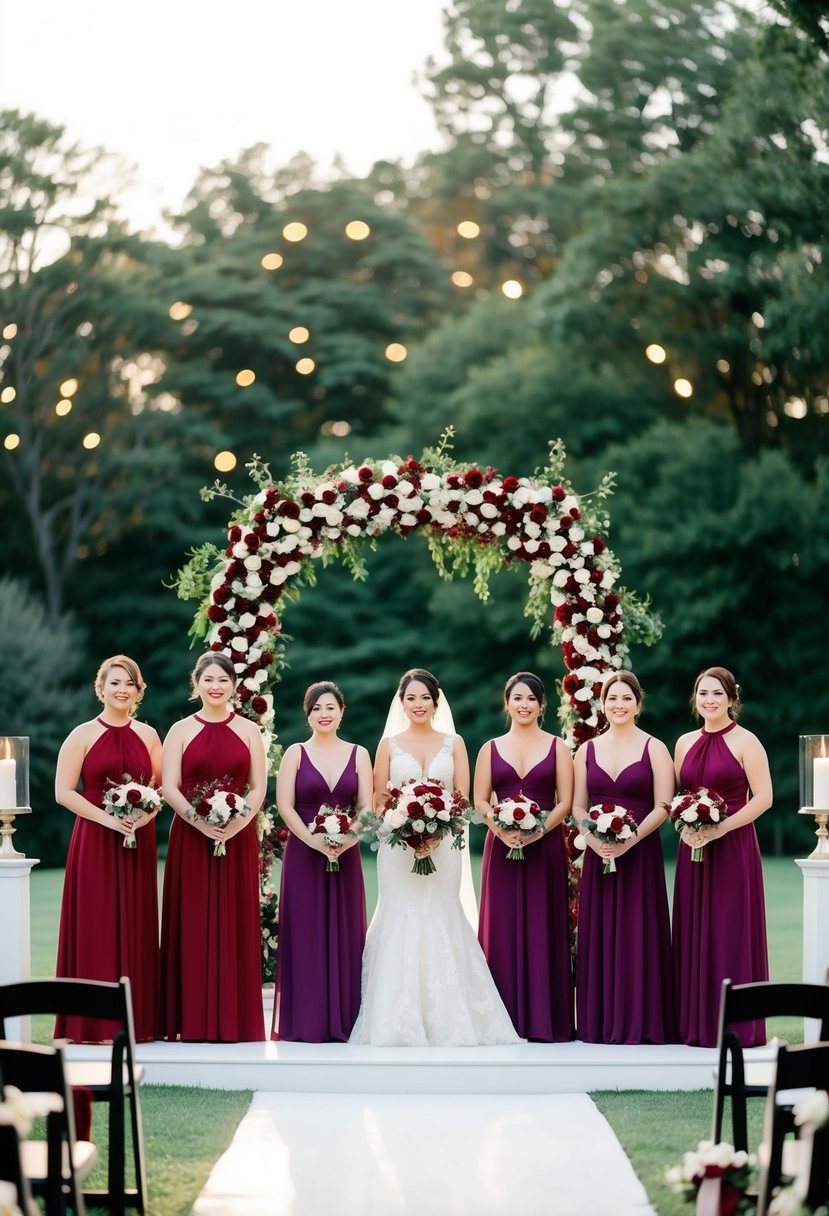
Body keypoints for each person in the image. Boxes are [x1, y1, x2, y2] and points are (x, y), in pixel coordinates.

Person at [349, 668, 520, 1047]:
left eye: (424, 697)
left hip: (443, 846)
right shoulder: (389, 744)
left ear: (435, 700)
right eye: (411, 698)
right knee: (402, 916)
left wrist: (435, 831)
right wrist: (405, 829)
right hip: (398, 848)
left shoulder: (454, 743)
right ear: (402, 702)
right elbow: (379, 799)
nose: (418, 704)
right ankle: (395, 1019)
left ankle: (451, 1017)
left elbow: (461, 796)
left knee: (442, 915)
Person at [159, 651, 267, 1042]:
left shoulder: (249, 730)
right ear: (197, 684)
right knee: (191, 921)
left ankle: (234, 1021)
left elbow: (258, 787)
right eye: (208, 679)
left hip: (236, 839)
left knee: (235, 920)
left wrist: (236, 824)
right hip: (190, 837)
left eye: (223, 679)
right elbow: (168, 786)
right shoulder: (180, 730)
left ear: (234, 686)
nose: (215, 686)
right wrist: (200, 821)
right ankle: (190, 1020)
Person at [55, 655, 162, 1042]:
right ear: (101, 689)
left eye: (129, 684)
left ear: (138, 691)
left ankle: (138, 1021)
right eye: (115, 683)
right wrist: (109, 820)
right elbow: (63, 792)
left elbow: (159, 790)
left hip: (137, 840)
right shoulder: (82, 734)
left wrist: (143, 819)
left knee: (136, 920)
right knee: (96, 921)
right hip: (96, 839)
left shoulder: (149, 736)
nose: (122, 690)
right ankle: (91, 1024)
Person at [572, 672, 676, 1044]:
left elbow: (664, 805)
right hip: (599, 854)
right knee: (600, 933)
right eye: (612, 698)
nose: (619, 704)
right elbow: (578, 805)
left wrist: (630, 840)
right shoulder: (587, 750)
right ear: (603, 703)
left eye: (626, 698)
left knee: (638, 931)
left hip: (641, 853)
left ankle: (641, 1021)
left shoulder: (655, 748)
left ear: (638, 703)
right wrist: (591, 837)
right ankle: (600, 1022)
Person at [672, 666, 772, 1047]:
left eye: (717, 693)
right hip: (693, 847)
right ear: (695, 699)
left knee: (729, 929)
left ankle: (737, 1024)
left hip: (733, 847)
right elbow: (679, 796)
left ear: (731, 698)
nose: (709, 700)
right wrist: (687, 827)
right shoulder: (682, 743)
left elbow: (763, 798)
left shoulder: (747, 742)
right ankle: (694, 1023)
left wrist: (722, 827)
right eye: (703, 693)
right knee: (693, 929)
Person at [474, 672, 575, 1041]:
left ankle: (545, 1020)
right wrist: (501, 829)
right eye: (517, 698)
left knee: (543, 925)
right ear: (507, 703)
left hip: (544, 848)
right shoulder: (490, 748)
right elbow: (481, 799)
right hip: (501, 848)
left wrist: (537, 831)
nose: (524, 705)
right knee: (502, 928)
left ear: (542, 705)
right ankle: (503, 1020)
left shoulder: (558, 747)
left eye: (531, 698)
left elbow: (564, 801)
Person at [272, 681, 372, 1041]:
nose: (323, 714)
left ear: (342, 712)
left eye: (330, 707)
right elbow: (285, 806)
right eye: (316, 708)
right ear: (307, 714)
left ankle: (344, 1019)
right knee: (307, 932)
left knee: (346, 933)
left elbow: (366, 807)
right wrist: (313, 840)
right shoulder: (295, 754)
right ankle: (307, 1021)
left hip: (345, 854)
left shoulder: (359, 753)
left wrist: (347, 839)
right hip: (304, 852)